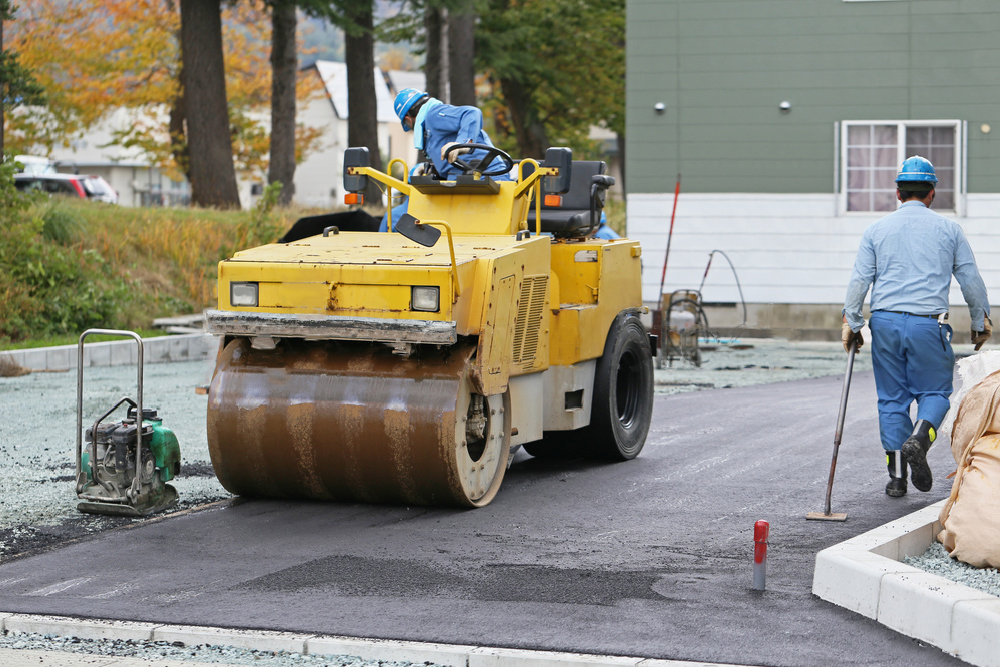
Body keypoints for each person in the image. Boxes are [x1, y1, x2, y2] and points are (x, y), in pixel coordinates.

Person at [843, 155, 992, 498]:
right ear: (932, 193)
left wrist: (852, 321)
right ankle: (920, 440)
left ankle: (897, 479)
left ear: (898, 193)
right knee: (935, 393)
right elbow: (970, 279)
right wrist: (978, 319)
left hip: (885, 323)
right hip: (928, 325)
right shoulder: (949, 230)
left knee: (892, 401)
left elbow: (860, 279)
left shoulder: (876, 230)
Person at [381, 88, 511, 232]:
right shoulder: (431, 130)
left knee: (393, 218)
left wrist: (464, 142)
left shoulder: (433, 115)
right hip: (468, 182)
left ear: (408, 120)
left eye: (407, 126)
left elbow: (472, 113)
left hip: (489, 180)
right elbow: (449, 161)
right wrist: (428, 167)